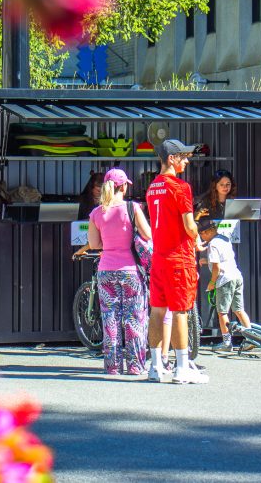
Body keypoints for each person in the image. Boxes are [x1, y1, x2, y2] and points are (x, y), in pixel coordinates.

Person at [145, 139, 208, 384]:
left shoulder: (153, 187)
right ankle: (182, 368)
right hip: (179, 258)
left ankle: (155, 366)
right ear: (171, 158)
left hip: (159, 257)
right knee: (181, 311)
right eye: (183, 156)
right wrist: (198, 240)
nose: (186, 160)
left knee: (157, 311)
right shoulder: (180, 187)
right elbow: (189, 225)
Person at [85, 168, 153, 375]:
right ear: (123, 186)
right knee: (133, 319)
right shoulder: (132, 208)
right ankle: (134, 366)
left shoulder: (96, 213)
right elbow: (148, 235)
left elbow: (94, 244)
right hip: (131, 271)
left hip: (106, 270)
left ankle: (113, 366)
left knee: (110, 319)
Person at [198, 219, 250, 352]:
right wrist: (206, 260)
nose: (201, 237)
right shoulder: (224, 239)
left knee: (222, 312)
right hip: (236, 276)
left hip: (224, 279)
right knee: (239, 310)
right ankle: (251, 339)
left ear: (206, 232)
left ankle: (227, 342)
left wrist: (212, 283)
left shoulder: (213, 245)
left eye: (201, 234)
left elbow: (216, 266)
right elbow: (223, 258)